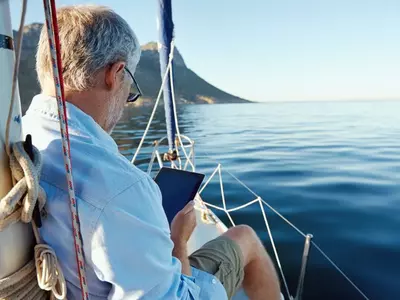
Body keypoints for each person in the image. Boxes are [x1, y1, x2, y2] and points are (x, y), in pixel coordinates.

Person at [23, 5, 280, 300]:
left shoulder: (18, 139)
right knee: (245, 237)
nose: (126, 101)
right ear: (115, 74)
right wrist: (178, 242)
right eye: (130, 89)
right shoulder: (122, 190)